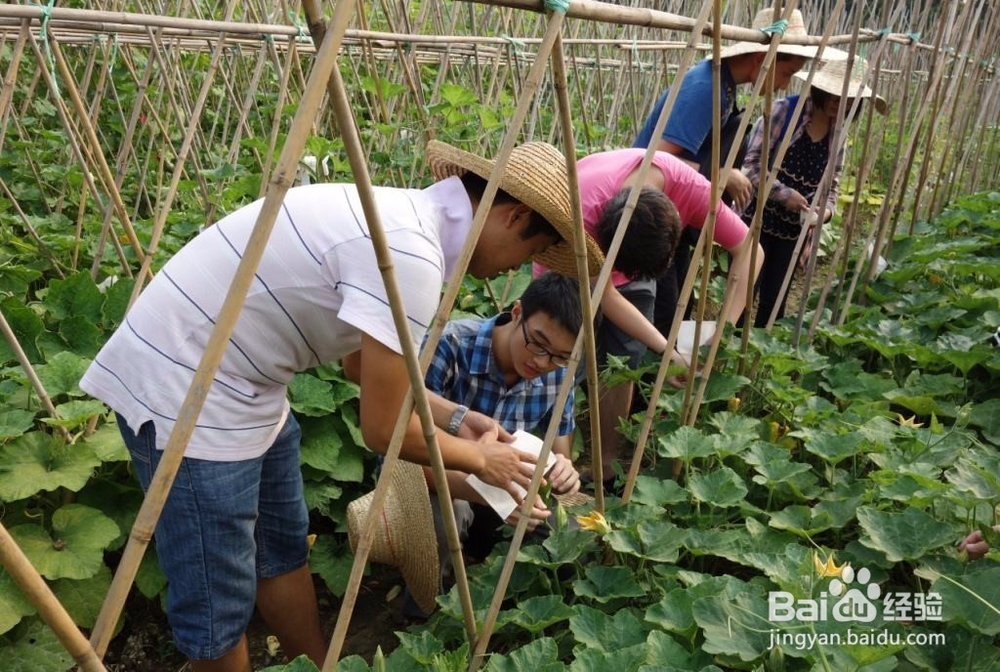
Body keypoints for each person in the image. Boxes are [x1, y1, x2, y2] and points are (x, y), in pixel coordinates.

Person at [78, 139, 603, 672]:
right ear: (514, 216)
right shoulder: (410, 253)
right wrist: (484, 461)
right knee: (217, 607)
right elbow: (383, 431)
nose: (518, 268)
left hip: (249, 382)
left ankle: (318, 665)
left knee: (282, 549)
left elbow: (359, 370)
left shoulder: (405, 224)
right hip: (184, 389)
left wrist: (460, 419)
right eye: (530, 254)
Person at [535, 148, 763, 486]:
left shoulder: (690, 190)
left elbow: (751, 250)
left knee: (624, 362)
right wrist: (668, 350)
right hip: (571, 269)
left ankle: (606, 468)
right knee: (559, 367)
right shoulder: (583, 213)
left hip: (627, 250)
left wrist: (720, 333)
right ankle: (559, 474)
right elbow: (607, 294)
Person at [402, 271, 583, 618]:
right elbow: (404, 455)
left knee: (575, 526)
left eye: (559, 356)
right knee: (447, 519)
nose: (543, 362)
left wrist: (565, 468)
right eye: (538, 344)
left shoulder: (560, 370)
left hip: (506, 485)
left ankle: (518, 609)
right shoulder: (449, 344)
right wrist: (484, 491)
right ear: (517, 313)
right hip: (436, 481)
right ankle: (424, 613)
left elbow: (560, 446)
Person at [634, 8, 816, 336]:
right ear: (763, 59)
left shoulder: (724, 86)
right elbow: (655, 161)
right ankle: (648, 383)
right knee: (659, 315)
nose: (785, 84)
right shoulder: (707, 87)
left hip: (671, 213)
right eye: (787, 72)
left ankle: (657, 379)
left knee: (675, 307)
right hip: (646, 216)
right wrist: (722, 174)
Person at [741, 56, 886, 328]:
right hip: (757, 221)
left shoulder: (837, 134)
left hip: (794, 233)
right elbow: (749, 167)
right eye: (834, 93)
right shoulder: (785, 112)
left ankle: (754, 364)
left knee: (775, 304)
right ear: (821, 89)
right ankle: (724, 355)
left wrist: (826, 213)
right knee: (742, 296)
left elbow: (832, 187)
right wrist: (784, 194)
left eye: (849, 98)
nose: (839, 101)